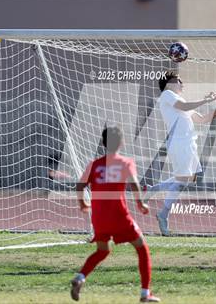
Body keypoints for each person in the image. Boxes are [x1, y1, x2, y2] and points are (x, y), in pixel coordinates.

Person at [70, 127, 160, 302]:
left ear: (103, 144)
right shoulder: (125, 162)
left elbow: (80, 186)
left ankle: (80, 277)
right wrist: (140, 203)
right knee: (142, 248)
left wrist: (83, 204)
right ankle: (145, 293)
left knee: (103, 250)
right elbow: (134, 184)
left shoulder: (94, 164)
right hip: (118, 215)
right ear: (121, 142)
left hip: (98, 217)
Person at [145, 71, 216, 236]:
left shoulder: (181, 100)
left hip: (189, 144)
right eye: (179, 80)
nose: (182, 84)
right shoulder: (167, 95)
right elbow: (184, 107)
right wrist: (206, 100)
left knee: (191, 178)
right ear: (169, 83)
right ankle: (163, 214)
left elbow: (202, 119)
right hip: (179, 142)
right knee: (182, 180)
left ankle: (153, 189)